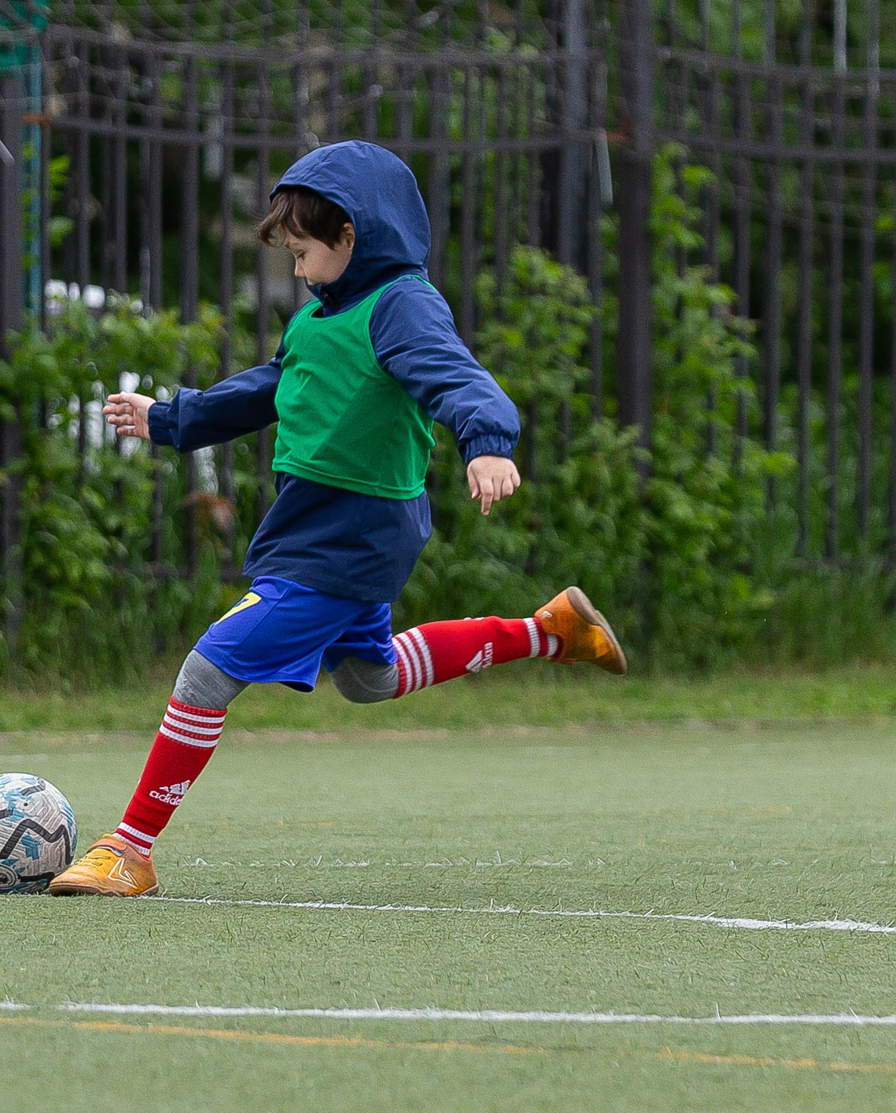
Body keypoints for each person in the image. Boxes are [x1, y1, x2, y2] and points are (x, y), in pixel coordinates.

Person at [52, 140, 628, 897]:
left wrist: (486, 443)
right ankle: (549, 629)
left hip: (351, 532)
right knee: (368, 676)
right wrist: (172, 417)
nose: (294, 267)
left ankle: (129, 847)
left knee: (209, 666)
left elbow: (454, 372)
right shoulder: (321, 315)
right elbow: (269, 388)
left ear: (350, 236)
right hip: (315, 522)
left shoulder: (400, 304)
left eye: (302, 251)